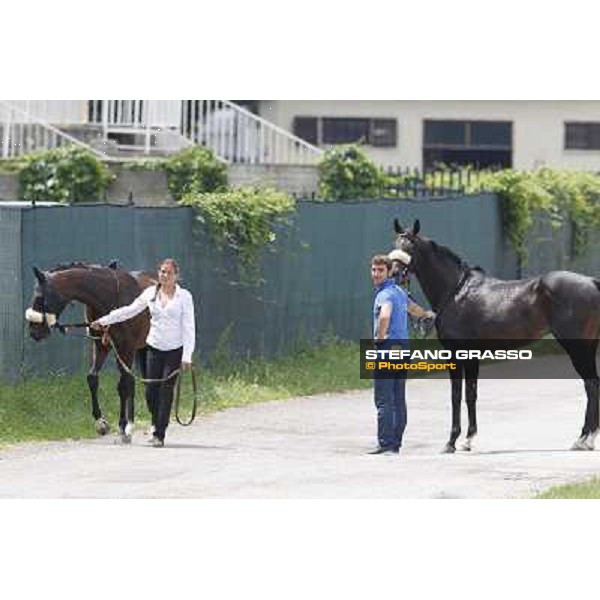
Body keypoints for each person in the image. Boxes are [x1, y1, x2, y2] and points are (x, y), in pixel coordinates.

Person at [91, 258, 195, 447]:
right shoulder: (150, 293)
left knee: (166, 390)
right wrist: (105, 320)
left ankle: (159, 433)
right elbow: (129, 310)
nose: (164, 275)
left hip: (174, 350)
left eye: (169, 273)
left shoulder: (184, 297)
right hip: (154, 347)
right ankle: (156, 421)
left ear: (176, 276)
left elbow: (189, 328)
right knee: (150, 392)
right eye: (162, 272)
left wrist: (187, 356)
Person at [369, 254, 409, 455]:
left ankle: (385, 443)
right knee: (398, 398)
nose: (376, 274)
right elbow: (414, 308)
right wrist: (428, 314)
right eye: (374, 269)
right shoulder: (399, 291)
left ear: (389, 271)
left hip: (388, 349)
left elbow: (385, 314)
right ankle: (396, 443)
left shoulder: (384, 294)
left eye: (380, 270)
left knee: (384, 399)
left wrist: (379, 337)